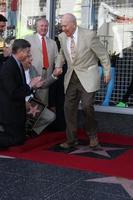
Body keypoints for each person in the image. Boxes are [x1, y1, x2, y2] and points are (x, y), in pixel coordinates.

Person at [54, 13, 110, 148]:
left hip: (88, 75)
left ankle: (92, 135)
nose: (62, 28)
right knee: (68, 108)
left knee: (86, 106)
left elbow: (103, 54)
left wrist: (107, 72)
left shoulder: (89, 35)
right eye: (61, 25)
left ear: (73, 24)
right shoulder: (62, 37)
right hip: (71, 76)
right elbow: (62, 53)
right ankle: (71, 139)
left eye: (65, 25)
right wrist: (58, 65)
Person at [0, 39, 43, 148]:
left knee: (20, 139)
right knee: (16, 140)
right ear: (20, 51)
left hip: (17, 112)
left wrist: (32, 87)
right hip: (10, 113)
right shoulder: (8, 67)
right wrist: (30, 85)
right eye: (28, 52)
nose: (29, 54)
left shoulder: (17, 64)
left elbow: (20, 88)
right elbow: (13, 93)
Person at [25, 17, 58, 105]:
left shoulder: (53, 43)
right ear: (37, 27)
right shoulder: (28, 39)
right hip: (33, 75)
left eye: (46, 26)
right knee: (31, 101)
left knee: (43, 103)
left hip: (47, 75)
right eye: (41, 26)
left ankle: (42, 117)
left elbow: (57, 58)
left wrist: (58, 67)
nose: (44, 28)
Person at [23, 54, 59, 135]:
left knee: (51, 116)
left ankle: (31, 131)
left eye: (31, 57)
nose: (31, 59)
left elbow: (42, 84)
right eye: (28, 57)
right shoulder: (14, 70)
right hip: (18, 103)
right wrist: (31, 85)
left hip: (32, 102)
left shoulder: (32, 68)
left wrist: (54, 75)